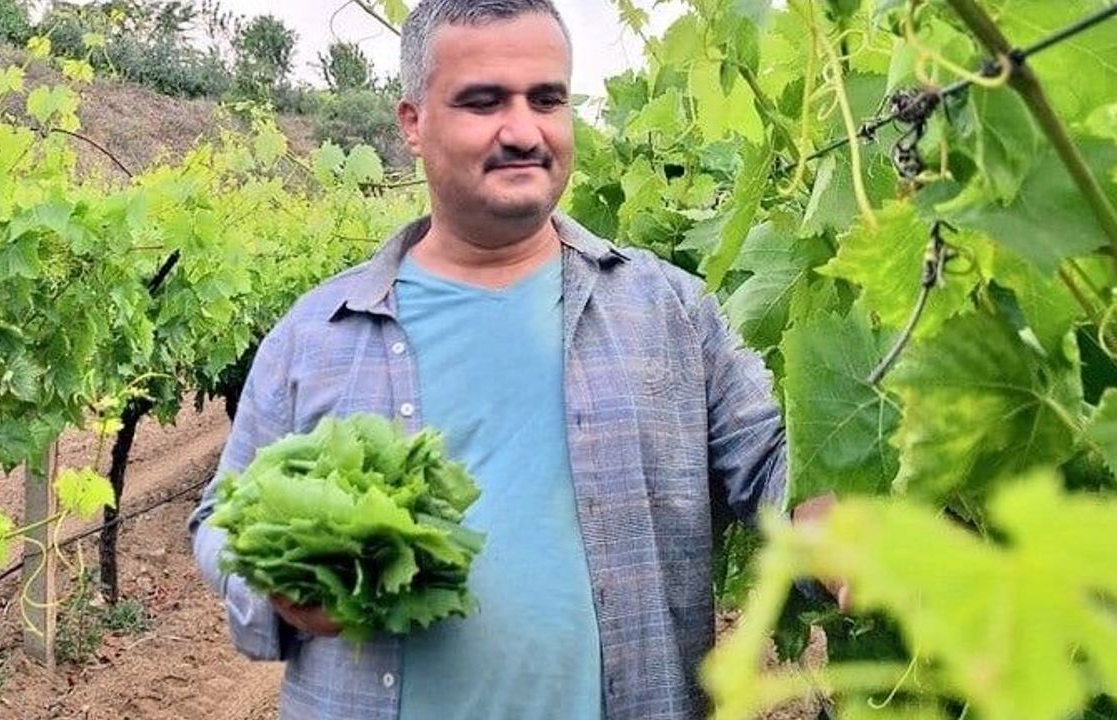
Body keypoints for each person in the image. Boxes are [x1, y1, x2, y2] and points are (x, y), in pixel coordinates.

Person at [188, 1, 839, 718]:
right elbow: (222, 514)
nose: (524, 131)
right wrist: (277, 580)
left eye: (547, 99)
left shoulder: (670, 310)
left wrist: (845, 539)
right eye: (484, 101)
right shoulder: (316, 333)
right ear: (413, 122)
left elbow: (773, 467)